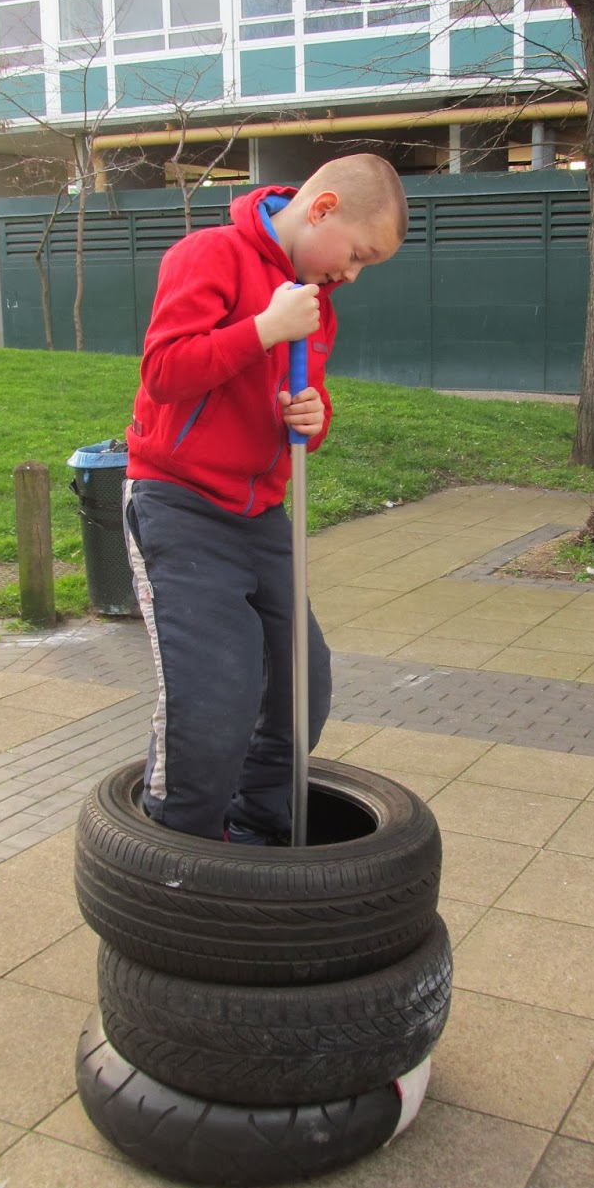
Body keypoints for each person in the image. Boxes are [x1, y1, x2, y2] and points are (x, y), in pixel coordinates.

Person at [122, 152, 408, 844]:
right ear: (323, 208)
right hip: (181, 505)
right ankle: (180, 849)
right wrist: (263, 329)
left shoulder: (316, 307)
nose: (351, 274)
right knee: (215, 697)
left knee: (299, 688)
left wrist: (315, 413)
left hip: (260, 514)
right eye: (358, 254)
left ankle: (259, 835)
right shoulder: (209, 255)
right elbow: (164, 373)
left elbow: (298, 392)